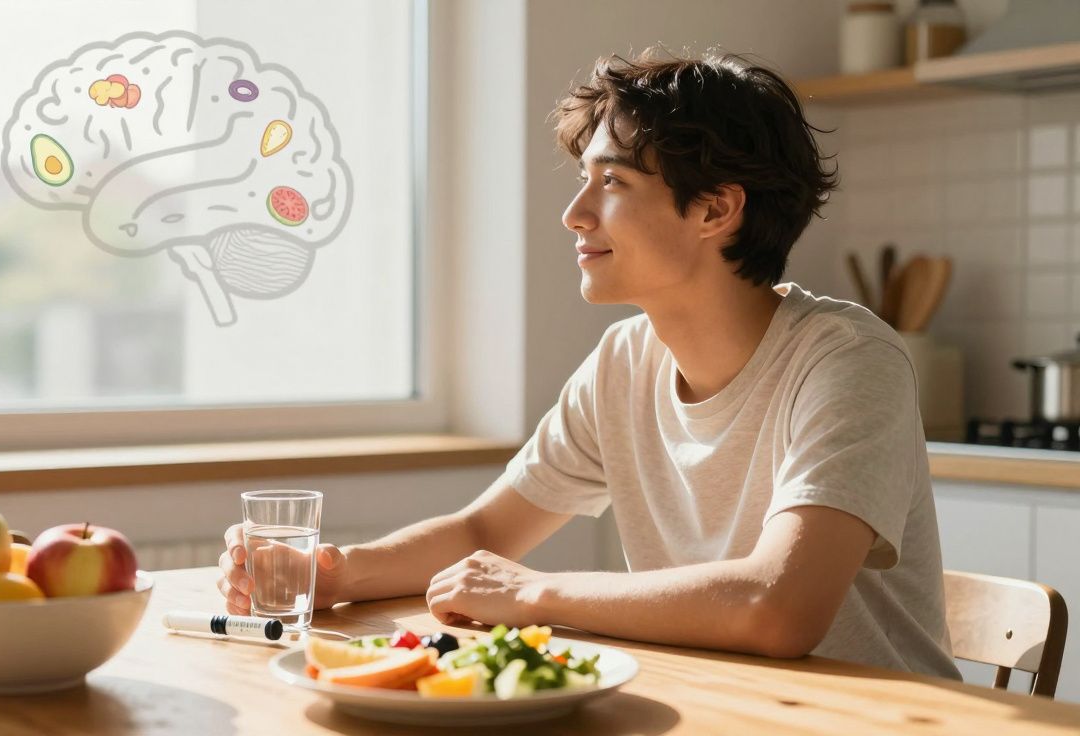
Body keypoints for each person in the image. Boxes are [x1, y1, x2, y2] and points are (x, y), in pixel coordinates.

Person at [218, 51, 961, 679]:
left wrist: (537, 595)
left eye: (612, 183)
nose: (575, 214)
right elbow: (484, 530)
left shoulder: (848, 361)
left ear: (715, 210)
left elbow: (779, 609)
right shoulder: (624, 363)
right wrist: (335, 572)